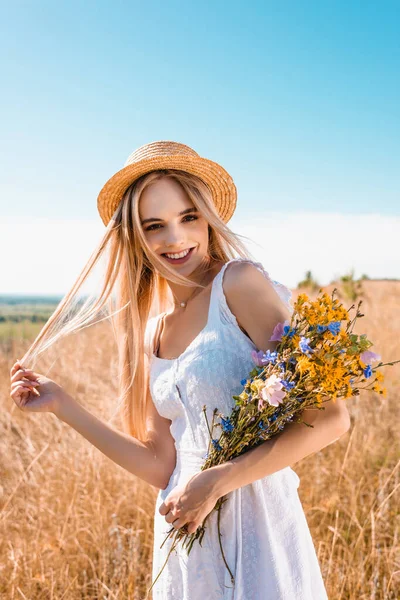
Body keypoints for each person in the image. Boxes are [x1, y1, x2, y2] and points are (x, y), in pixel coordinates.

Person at [10, 141, 350, 599]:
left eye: (189, 217)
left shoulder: (240, 284)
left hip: (257, 522)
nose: (176, 238)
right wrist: (63, 405)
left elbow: (331, 418)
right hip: (183, 534)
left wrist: (218, 479)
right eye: (155, 226)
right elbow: (160, 464)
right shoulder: (151, 330)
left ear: (208, 216)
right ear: (135, 236)